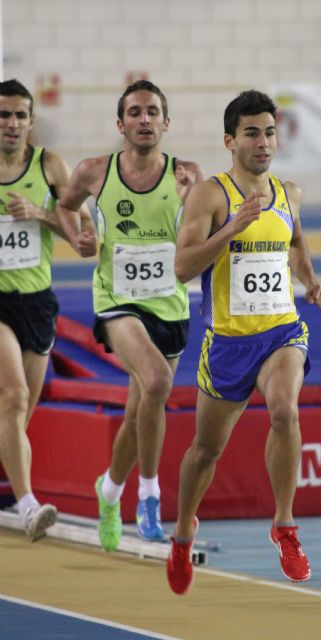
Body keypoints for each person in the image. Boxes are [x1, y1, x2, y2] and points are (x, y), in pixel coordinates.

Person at [167, 89, 321, 595]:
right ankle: (180, 534)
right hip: (229, 345)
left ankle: (284, 526)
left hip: (282, 330)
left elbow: (296, 245)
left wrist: (310, 281)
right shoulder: (210, 196)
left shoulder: (289, 192)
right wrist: (230, 230)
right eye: (252, 133)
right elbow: (182, 268)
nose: (264, 142)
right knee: (204, 452)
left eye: (270, 132)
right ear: (229, 140)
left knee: (285, 410)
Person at [56, 80, 204, 550]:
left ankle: (109, 489)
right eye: (135, 112)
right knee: (158, 382)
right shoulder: (94, 173)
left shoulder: (188, 177)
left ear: (166, 123)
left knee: (140, 410)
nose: (144, 119)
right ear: (120, 124)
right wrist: (80, 235)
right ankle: (149, 497)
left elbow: (201, 236)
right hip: (116, 301)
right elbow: (65, 209)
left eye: (152, 112)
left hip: (170, 304)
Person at [0, 78, 96, 542]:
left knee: (19, 412)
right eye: (3, 115)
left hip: (36, 302)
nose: (11, 124)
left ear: (32, 122)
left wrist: (38, 214)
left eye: (19, 115)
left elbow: (79, 239)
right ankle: (28, 505)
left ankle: (14, 493)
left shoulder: (50, 166)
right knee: (14, 397)